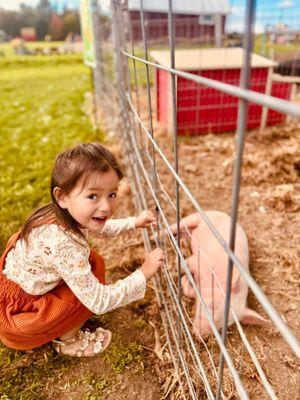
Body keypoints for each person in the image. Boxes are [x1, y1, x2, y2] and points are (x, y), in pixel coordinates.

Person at [0, 143, 165, 357]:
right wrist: (143, 273)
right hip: (22, 314)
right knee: (87, 286)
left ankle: (62, 320)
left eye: (112, 194)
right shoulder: (62, 244)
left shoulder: (64, 214)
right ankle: (67, 341)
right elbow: (99, 300)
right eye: (93, 196)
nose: (106, 206)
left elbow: (99, 225)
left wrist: (134, 222)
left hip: (27, 286)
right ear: (62, 197)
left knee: (92, 263)